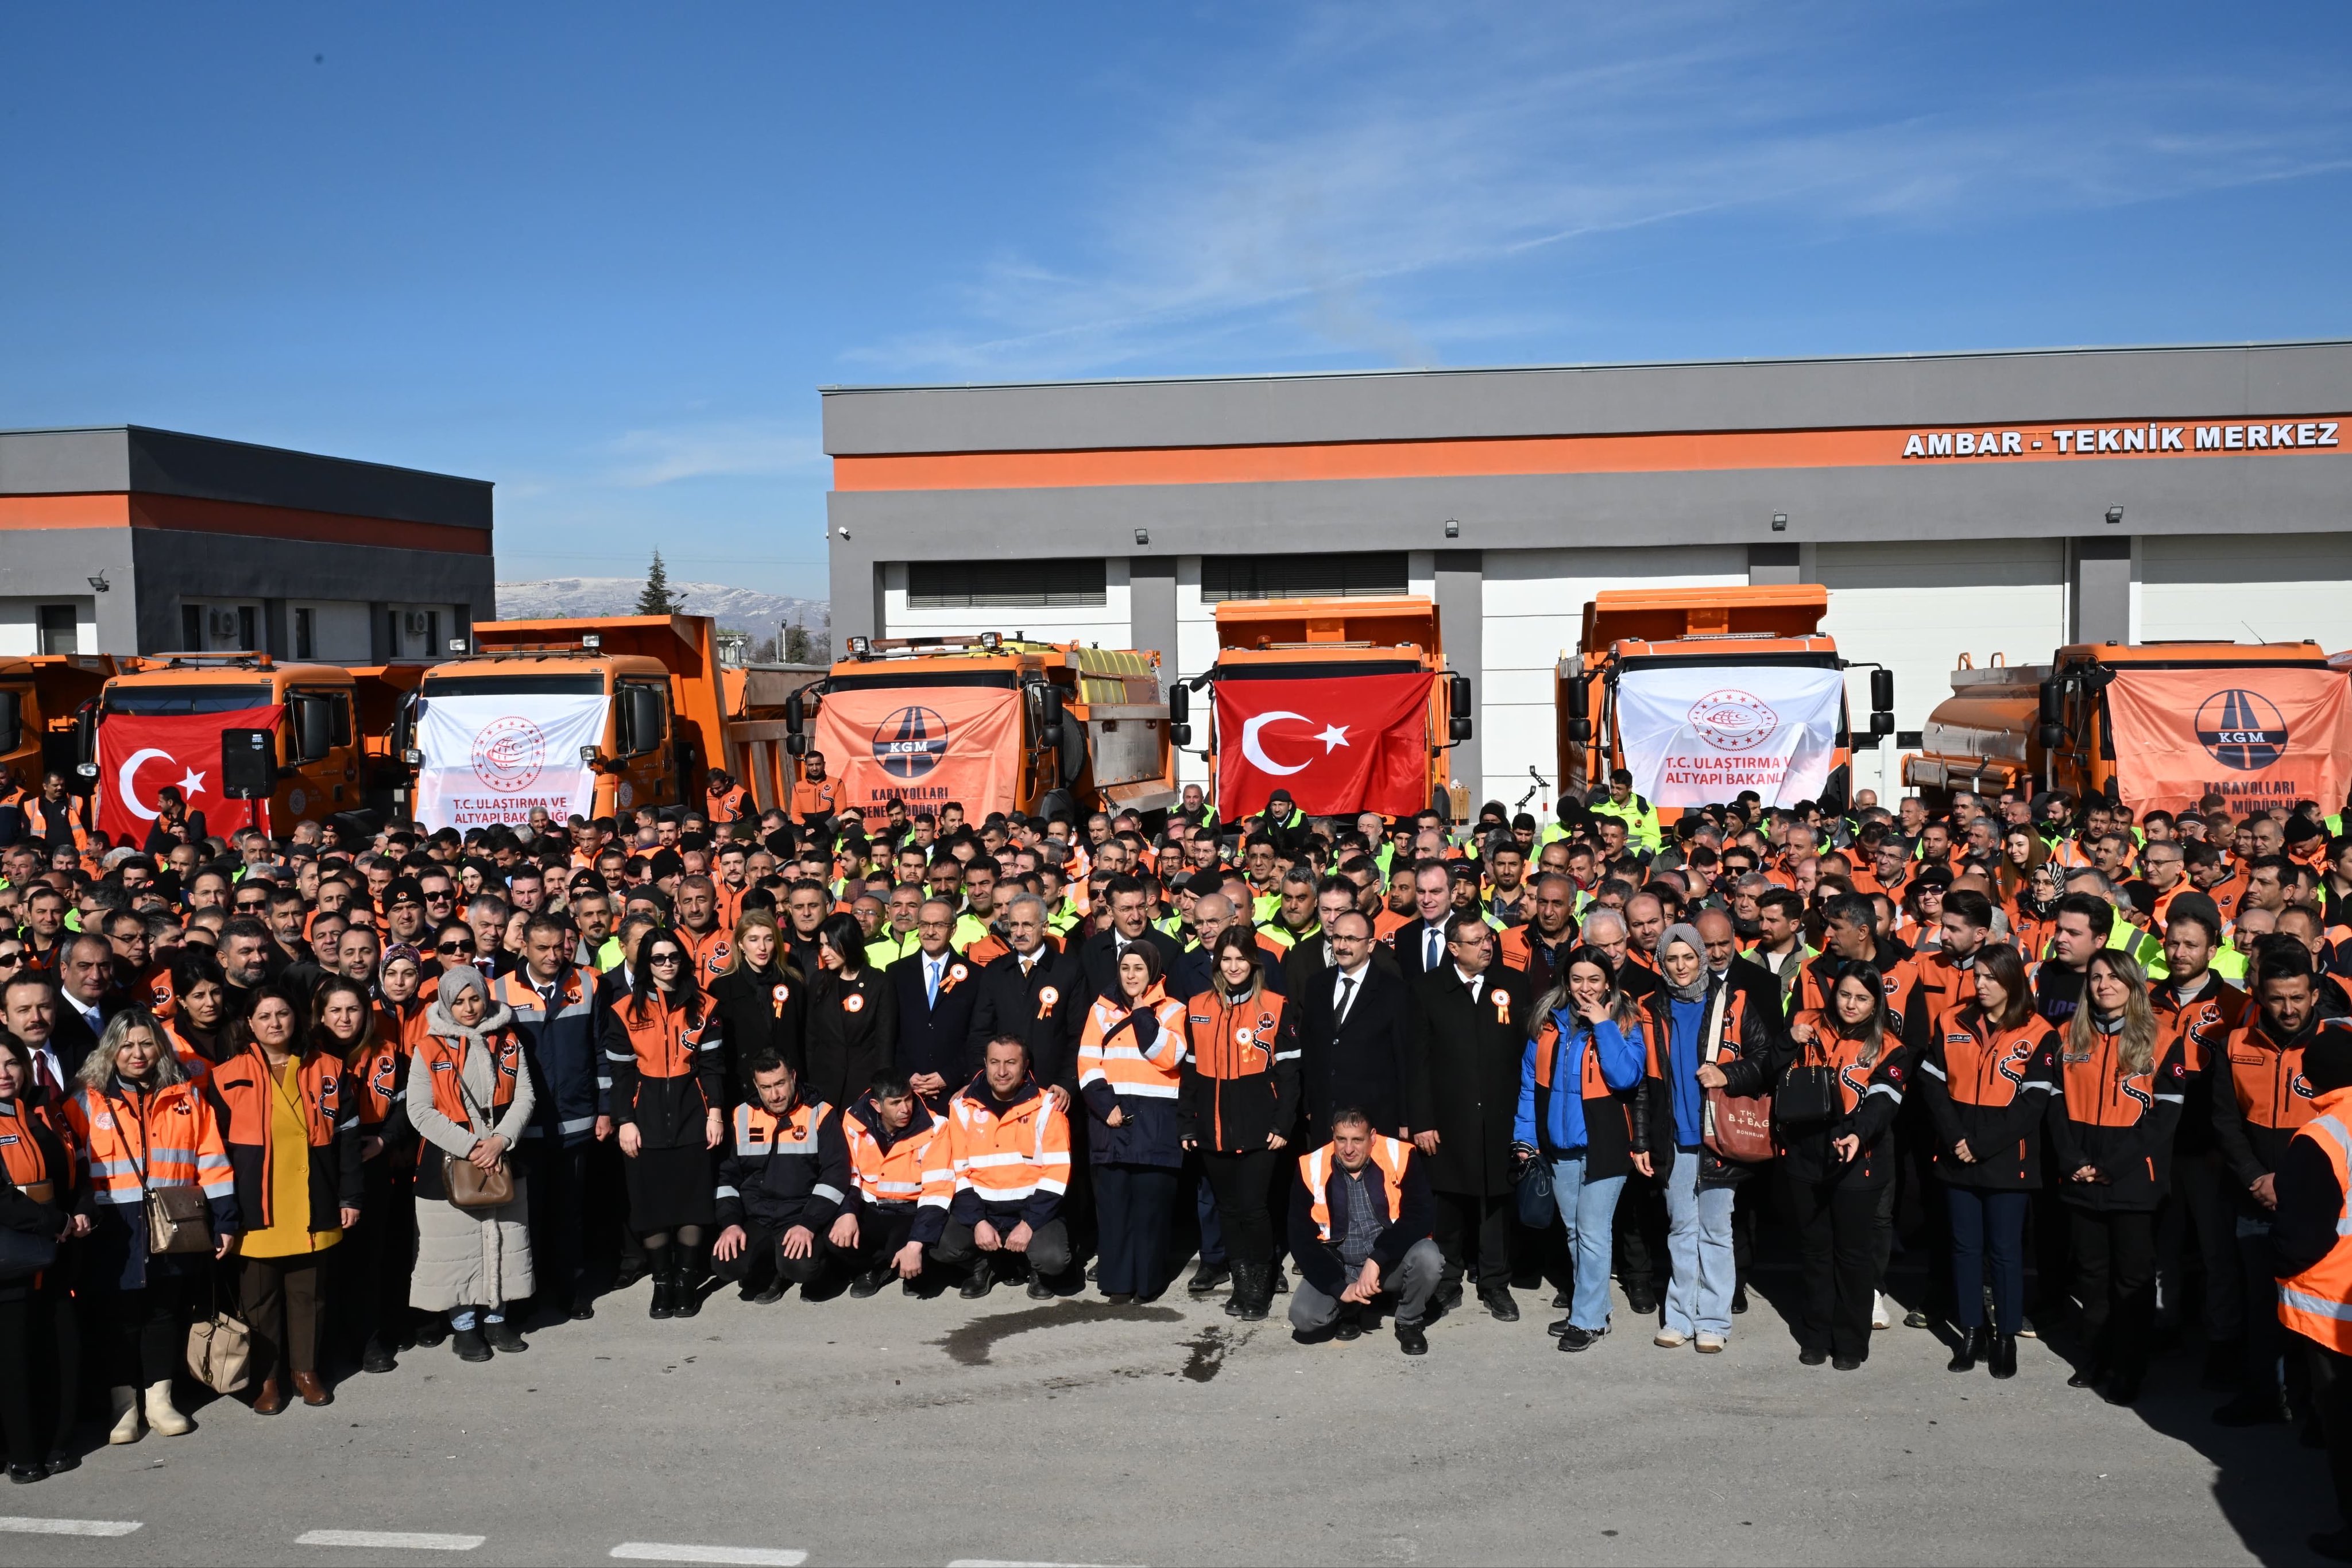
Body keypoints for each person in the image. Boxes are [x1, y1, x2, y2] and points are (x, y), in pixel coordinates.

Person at [65, 1009, 237, 1444]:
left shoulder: (187, 1096)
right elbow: (75, 1169)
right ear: (110, 1050)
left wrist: (226, 1221)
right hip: (113, 1228)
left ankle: (160, 1400)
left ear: (159, 1046)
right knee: (118, 1317)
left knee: (163, 1312)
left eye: (146, 1043)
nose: (137, 1053)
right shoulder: (84, 1101)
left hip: (173, 1222)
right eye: (126, 1045)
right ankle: (124, 1407)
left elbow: (212, 1162)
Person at [204, 983, 362, 1411]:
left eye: (283, 1014)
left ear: (298, 1018)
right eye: (265, 1016)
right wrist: (223, 1213)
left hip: (315, 1198)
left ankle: (306, 1371)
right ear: (250, 1024)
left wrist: (351, 1195)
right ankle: (268, 1377)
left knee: (309, 1293)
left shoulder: (329, 1067)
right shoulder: (225, 1076)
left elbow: (348, 1138)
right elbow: (213, 1152)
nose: (276, 1023)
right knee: (260, 1298)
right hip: (256, 1204)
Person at [2048, 949, 2184, 1405]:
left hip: (2133, 1180)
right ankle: (2095, 1356)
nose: (2103, 984)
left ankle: (2129, 1367)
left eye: (2113, 976)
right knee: (2091, 1275)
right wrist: (2073, 1161)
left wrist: (2113, 1165)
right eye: (2096, 977)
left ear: (2132, 982)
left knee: (2132, 1278)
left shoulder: (2163, 1039)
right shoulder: (2071, 1035)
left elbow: (2164, 1118)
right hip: (2081, 1175)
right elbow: (2055, 1106)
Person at [1917, 943, 2056, 1377]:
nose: (1980, 984)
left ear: (2012, 980)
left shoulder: (2038, 1031)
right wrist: (1958, 1136)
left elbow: (2033, 1105)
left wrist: (1981, 1143)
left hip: (2006, 1159)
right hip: (1957, 1151)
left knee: (2005, 1252)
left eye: (1990, 977)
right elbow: (1932, 1082)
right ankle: (1972, 1331)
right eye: (1977, 976)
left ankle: (2005, 1336)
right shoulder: (1952, 1019)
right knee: (1964, 1247)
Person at [1764, 967, 1912, 1369]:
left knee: (1853, 1255)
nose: (1850, 1004)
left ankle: (1850, 1340)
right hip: (1805, 1156)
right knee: (1815, 1251)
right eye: (1845, 994)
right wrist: (1785, 1042)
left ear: (1876, 1002)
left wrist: (1858, 1134)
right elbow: (1767, 1070)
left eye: (1862, 998)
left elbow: (1884, 1103)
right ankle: (1815, 1334)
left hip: (1858, 1160)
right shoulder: (1804, 1024)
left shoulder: (1891, 1045)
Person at [1516, 947, 1647, 1351]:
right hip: (1559, 1145)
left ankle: (1587, 1319)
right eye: (1577, 979)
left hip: (1605, 1145)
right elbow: (1529, 1086)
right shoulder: (1548, 1022)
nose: (1585, 988)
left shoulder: (1625, 1020)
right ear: (1565, 981)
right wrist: (1525, 1138)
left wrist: (1604, 1026)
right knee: (1574, 1230)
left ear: (1608, 981)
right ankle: (1595, 1309)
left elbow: (1626, 1077)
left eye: (1594, 979)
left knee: (1591, 1230)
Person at [405, 963, 536, 1362]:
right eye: (459, 1001)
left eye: (475, 998)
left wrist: (500, 1141)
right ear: (446, 1003)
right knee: (455, 1250)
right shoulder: (428, 1047)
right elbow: (420, 1110)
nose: (468, 1007)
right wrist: (472, 1145)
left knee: (505, 1239)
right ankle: (464, 1326)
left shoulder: (509, 1040)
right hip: (450, 1161)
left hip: (502, 1155)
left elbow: (525, 1095)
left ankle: (497, 1317)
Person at [1411, 913, 1535, 1322]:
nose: (1487, 946)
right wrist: (1422, 1120)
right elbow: (1418, 1062)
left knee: (1496, 1205)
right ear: (1453, 948)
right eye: (1477, 941)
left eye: (1489, 938)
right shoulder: (1429, 989)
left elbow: (1526, 1053)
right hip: (1446, 1119)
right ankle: (1447, 1281)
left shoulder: (1511, 984)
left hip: (1499, 1117)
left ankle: (1495, 1282)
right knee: (1448, 1203)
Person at [605, 930, 726, 1319]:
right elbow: (620, 1074)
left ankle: (686, 1279)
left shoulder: (705, 1005)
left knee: (692, 1201)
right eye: (658, 958)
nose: (667, 964)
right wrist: (625, 1119)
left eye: (673, 956)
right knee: (651, 1205)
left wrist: (716, 1113)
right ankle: (661, 1281)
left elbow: (712, 1067)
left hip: (693, 1111)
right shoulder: (624, 1008)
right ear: (646, 963)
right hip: (646, 1116)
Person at [1180, 927, 1299, 1321]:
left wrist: (1283, 1124)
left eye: (1240, 959)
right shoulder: (1197, 1005)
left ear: (1254, 962)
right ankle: (1241, 1279)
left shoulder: (1276, 1006)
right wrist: (1187, 1123)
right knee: (1228, 1209)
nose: (1233, 966)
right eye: (1226, 959)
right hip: (1213, 1126)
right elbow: (1191, 1072)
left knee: (1253, 1208)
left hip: (1260, 1128)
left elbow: (1290, 1073)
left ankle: (1259, 1285)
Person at [2268, 1023, 2352, 1563]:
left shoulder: (2320, 1136)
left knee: (2344, 1430)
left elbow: (2300, 1236)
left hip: (2333, 1311)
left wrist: (2277, 1264)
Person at [497, 916, 606, 1323]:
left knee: (570, 1212)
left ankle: (571, 1289)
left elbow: (600, 1050)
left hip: (577, 1120)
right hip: (525, 1127)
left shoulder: (588, 984)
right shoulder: (500, 991)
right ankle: (526, 1293)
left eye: (558, 946)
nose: (550, 955)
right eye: (541, 947)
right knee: (527, 1215)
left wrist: (606, 1108)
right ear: (523, 946)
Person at [1078, 942, 1189, 1304]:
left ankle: (1147, 1283)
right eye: (1125, 968)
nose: (1131, 976)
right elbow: (1088, 1061)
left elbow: (1169, 1057)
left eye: (1139, 969)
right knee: (1114, 1209)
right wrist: (1103, 1104)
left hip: (1155, 1122)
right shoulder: (1100, 1009)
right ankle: (1117, 1282)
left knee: (1151, 1210)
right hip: (1111, 1120)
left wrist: (1144, 1014)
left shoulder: (1173, 1010)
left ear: (1154, 972)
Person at [1286, 1106, 1443, 1356]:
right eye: (1341, 1139)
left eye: (1357, 1140)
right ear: (1333, 1136)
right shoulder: (1310, 1166)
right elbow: (1300, 1237)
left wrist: (1377, 1259)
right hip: (1340, 1265)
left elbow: (1421, 1215)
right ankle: (1350, 1308)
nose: (1348, 1149)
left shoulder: (1400, 1155)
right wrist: (1339, 1288)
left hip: (1387, 1263)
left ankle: (1409, 1321)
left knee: (1429, 1257)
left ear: (1372, 1137)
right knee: (1304, 1318)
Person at [934, 1035, 1074, 1299]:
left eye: (1011, 1063)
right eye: (995, 1062)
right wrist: (977, 1222)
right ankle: (983, 1266)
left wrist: (1029, 1224)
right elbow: (958, 1172)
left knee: (1054, 1259)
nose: (1001, 1071)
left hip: (1031, 1208)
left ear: (1025, 1066)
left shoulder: (1048, 1107)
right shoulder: (961, 1107)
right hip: (983, 1207)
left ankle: (1036, 1270)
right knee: (938, 1243)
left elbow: (1057, 1176)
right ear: (985, 1064)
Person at [0, 1031, 79, 1480]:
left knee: (57, 1349)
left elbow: (73, 1170)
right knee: (12, 1359)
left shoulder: (45, 1111)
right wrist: (54, 1221)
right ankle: (22, 1454)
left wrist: (79, 1209)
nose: (4, 1074)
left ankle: (57, 1442)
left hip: (56, 1251)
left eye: (11, 1063)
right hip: (11, 1259)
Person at [331, 970, 419, 1373]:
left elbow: (408, 1108)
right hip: (325, 1163)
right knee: (330, 1261)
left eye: (353, 1009)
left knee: (372, 1257)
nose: (345, 1018)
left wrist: (384, 1141)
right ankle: (328, 1342)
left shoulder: (389, 1053)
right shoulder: (310, 1057)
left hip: (374, 1157)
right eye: (335, 1010)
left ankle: (371, 1340)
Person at [712, 1050, 850, 1303]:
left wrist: (809, 1223)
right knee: (726, 1264)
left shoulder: (820, 1113)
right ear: (756, 1085)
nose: (774, 1095)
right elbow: (727, 1178)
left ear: (793, 1077)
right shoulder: (742, 1115)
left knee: (801, 1267)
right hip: (758, 1216)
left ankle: (824, 1267)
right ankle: (774, 1269)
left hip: (802, 1214)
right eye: (766, 1087)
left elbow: (836, 1175)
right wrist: (730, 1223)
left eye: (780, 1084)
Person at [1298, 911, 1422, 1139]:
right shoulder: (1317, 985)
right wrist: (1308, 1104)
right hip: (1325, 1119)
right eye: (1337, 938)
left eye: (1352, 939)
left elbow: (1405, 1058)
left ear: (1371, 945)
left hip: (1374, 1120)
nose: (1343, 946)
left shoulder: (1394, 991)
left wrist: (1406, 1120)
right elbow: (1310, 1047)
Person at [830, 1067, 952, 1296]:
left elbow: (938, 1189)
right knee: (835, 1236)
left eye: (908, 1099)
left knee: (920, 1243)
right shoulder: (854, 1120)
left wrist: (916, 1243)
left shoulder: (936, 1127)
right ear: (877, 1105)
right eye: (895, 1103)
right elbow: (851, 1174)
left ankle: (913, 1264)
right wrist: (847, 1213)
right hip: (872, 1207)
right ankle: (874, 1268)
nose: (905, 1109)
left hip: (912, 1211)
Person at [707, 908, 806, 1102]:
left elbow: (804, 1039)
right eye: (753, 940)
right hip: (743, 1090)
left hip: (788, 1088)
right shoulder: (721, 988)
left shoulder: (793, 983)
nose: (762, 947)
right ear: (741, 944)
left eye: (768, 939)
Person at [804, 912, 895, 1109]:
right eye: (822, 946)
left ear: (848, 942)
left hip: (863, 1086)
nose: (825, 953)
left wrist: (880, 1091)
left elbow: (884, 1042)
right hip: (824, 1086)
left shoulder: (879, 983)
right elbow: (811, 1036)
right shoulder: (819, 981)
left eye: (831, 945)